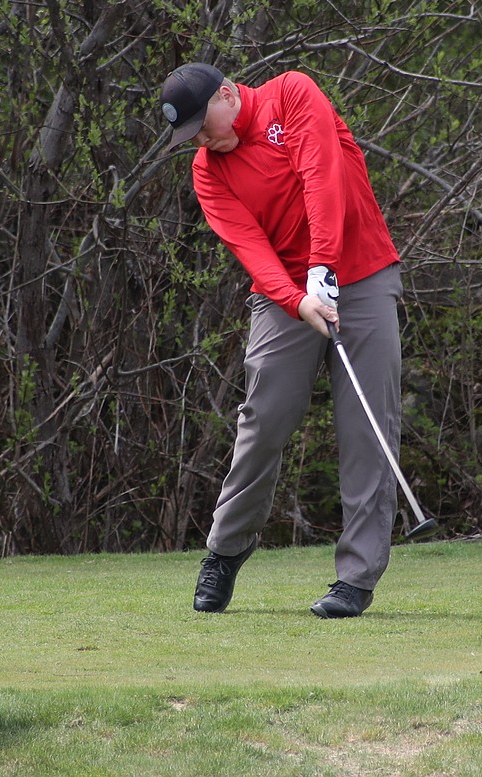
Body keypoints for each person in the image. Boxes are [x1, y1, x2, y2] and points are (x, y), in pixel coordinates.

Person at [159, 62, 402, 618]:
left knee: (368, 426)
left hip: (362, 275)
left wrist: (325, 269)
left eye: (202, 124)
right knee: (264, 418)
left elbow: (323, 177)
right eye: (190, 134)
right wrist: (299, 298)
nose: (201, 138)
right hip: (284, 295)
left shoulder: (291, 94)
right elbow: (251, 248)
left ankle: (356, 579)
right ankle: (225, 550)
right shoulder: (208, 171)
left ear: (227, 93)